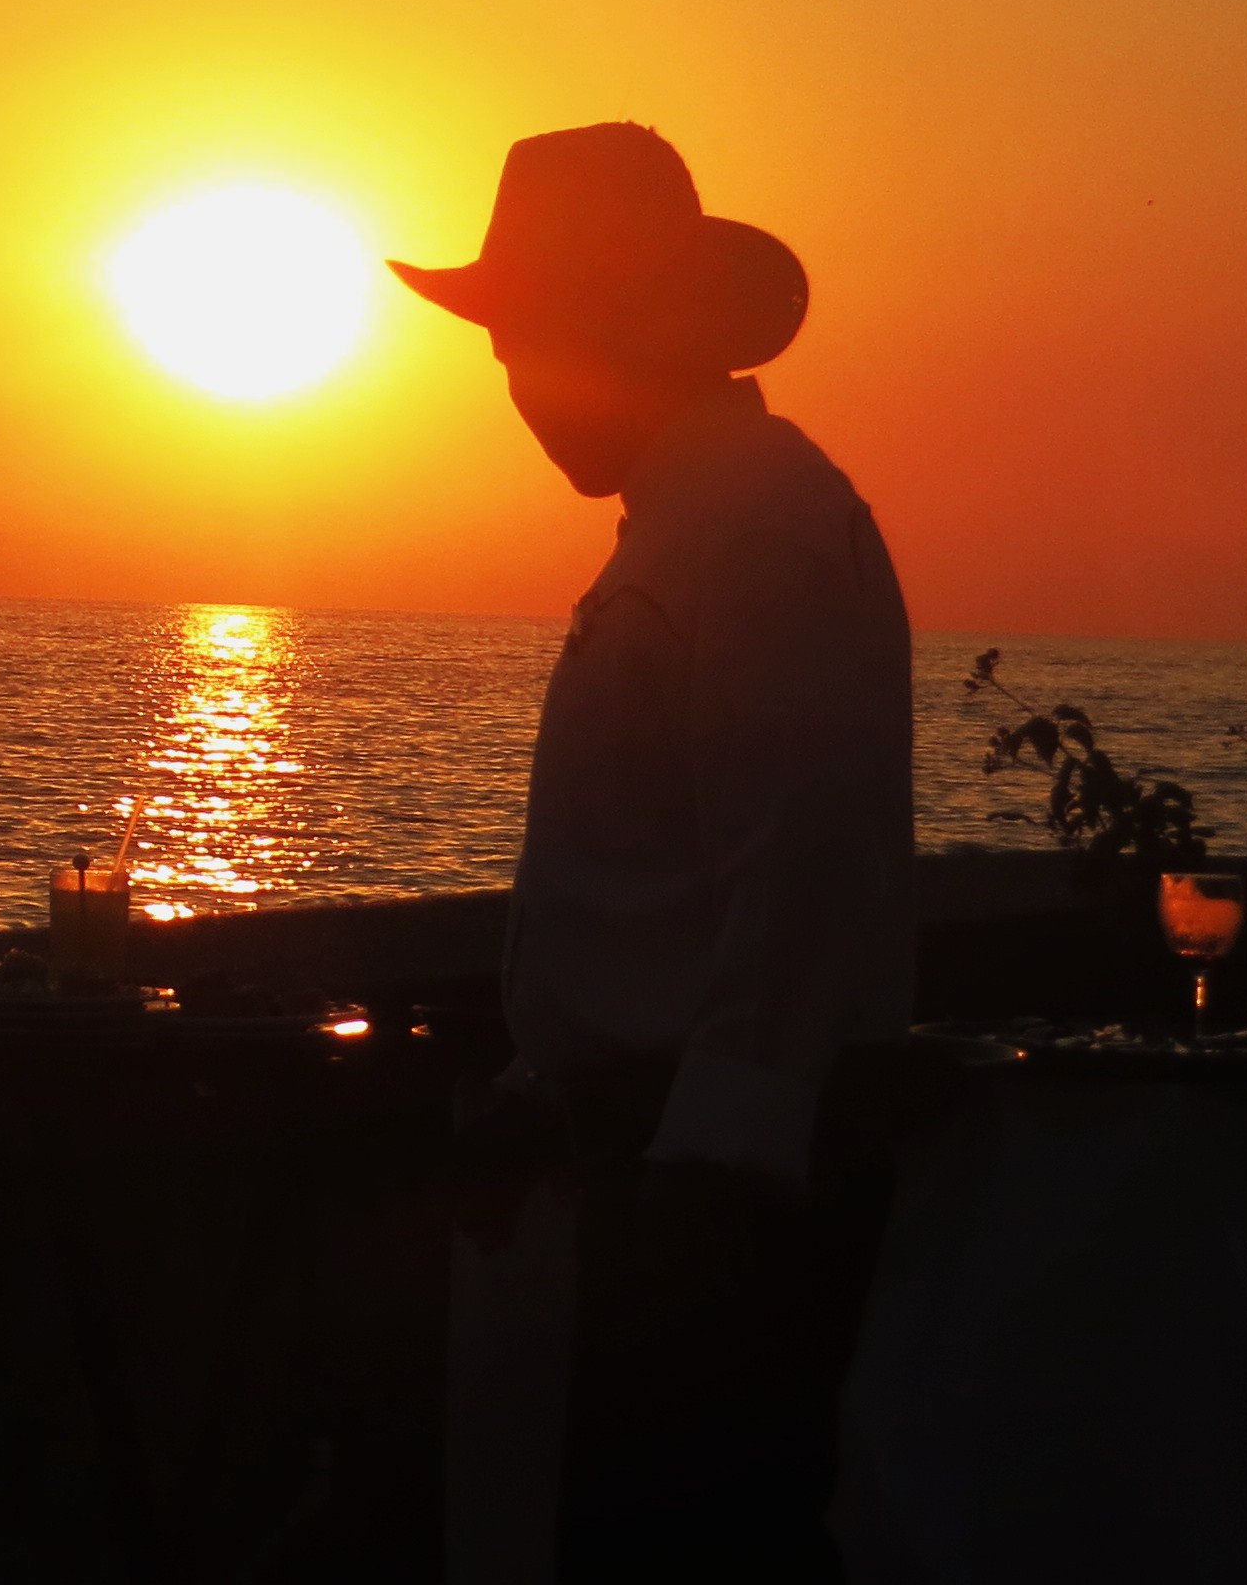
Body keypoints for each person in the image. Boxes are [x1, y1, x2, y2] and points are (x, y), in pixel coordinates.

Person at [391, 121, 914, 1582]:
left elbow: (800, 863)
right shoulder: (700, 520)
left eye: (534, 344)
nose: (517, 389)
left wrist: (720, 1159)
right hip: (669, 1158)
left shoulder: (749, 529)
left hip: (718, 1181)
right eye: (506, 353)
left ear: (630, 331)